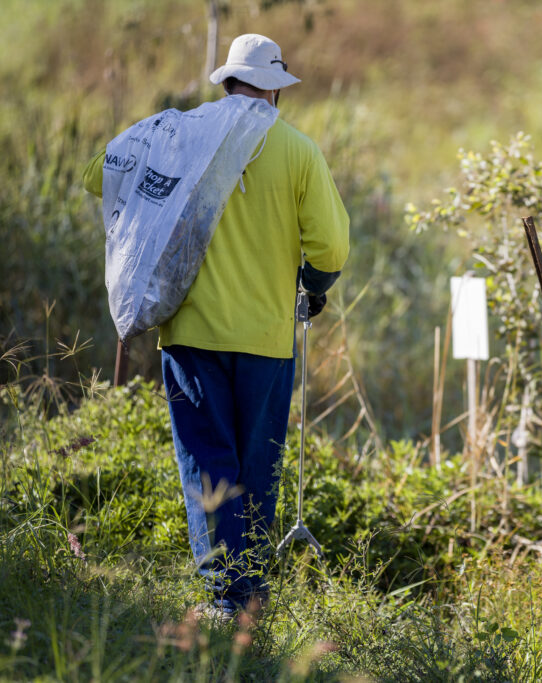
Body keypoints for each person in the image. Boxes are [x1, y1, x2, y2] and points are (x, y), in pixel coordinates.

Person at [83, 34, 350, 618]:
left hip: (191, 336)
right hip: (267, 342)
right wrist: (313, 287)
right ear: (274, 91)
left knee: (209, 464)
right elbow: (330, 249)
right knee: (256, 468)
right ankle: (247, 597)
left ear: (226, 81)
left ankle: (226, 601)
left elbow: (99, 173)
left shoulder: (182, 134)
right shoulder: (297, 149)